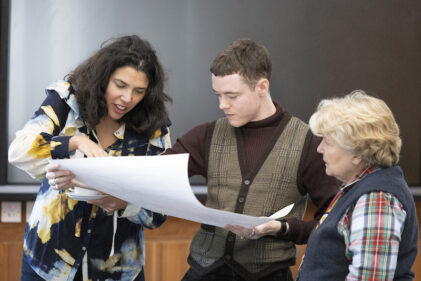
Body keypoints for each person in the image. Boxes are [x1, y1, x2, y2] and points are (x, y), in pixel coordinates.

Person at [163, 38, 338, 281]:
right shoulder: (206, 135)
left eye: (232, 95)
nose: (223, 104)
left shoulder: (308, 144)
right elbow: (157, 173)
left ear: (262, 87)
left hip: (269, 276)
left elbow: (334, 221)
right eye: (218, 95)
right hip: (204, 274)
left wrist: (284, 228)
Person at [8, 35, 172, 281]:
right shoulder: (66, 100)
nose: (128, 99)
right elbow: (18, 151)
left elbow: (161, 209)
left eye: (139, 91)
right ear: (103, 77)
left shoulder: (154, 125)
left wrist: (124, 203)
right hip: (49, 262)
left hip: (117, 270)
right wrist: (74, 142)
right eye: (120, 85)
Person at [296, 91, 418, 280]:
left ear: (357, 153)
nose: (319, 149)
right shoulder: (360, 187)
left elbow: (368, 277)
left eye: (327, 142)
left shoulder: (376, 198)